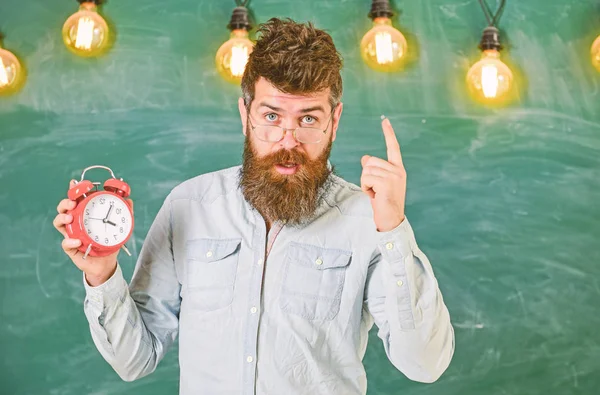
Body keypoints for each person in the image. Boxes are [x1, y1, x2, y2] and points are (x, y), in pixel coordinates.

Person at [53, 18, 454, 395]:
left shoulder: (369, 220)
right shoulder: (188, 206)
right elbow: (134, 361)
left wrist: (394, 229)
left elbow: (425, 364)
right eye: (271, 115)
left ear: (335, 121)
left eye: (309, 120)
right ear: (245, 114)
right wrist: (102, 273)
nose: (288, 139)